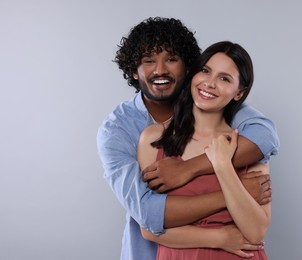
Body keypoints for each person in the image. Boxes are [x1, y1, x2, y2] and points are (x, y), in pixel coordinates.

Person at [97, 17, 279, 260]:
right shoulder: (120, 130)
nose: (160, 69)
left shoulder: (212, 101)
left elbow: (265, 137)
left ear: (187, 66)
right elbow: (149, 214)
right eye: (148, 61)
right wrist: (221, 233)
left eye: (171, 59)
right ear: (133, 69)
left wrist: (189, 168)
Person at [138, 41, 271, 259]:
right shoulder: (154, 138)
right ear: (193, 74)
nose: (209, 83)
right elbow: (148, 227)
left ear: (239, 93)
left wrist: (222, 164)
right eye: (205, 71)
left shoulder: (248, 146)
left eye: (224, 78)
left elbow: (255, 232)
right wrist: (220, 237)